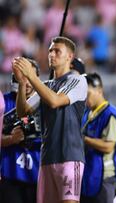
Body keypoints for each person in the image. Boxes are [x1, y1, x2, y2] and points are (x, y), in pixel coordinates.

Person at [12, 36, 88, 203]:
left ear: (70, 57)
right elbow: (23, 112)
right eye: (50, 51)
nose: (52, 54)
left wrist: (32, 76)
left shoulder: (78, 80)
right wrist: (22, 83)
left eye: (57, 51)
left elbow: (54, 101)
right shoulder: (46, 85)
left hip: (69, 156)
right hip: (47, 158)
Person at [80, 73, 116, 203]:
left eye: (88, 93)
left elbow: (108, 146)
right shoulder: (87, 113)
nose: (85, 98)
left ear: (99, 91)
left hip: (104, 176)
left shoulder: (110, 114)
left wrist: (83, 139)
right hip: (88, 173)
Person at [0, 59, 41, 203]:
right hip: (10, 175)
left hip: (37, 177)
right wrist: (11, 139)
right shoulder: (4, 102)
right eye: (23, 77)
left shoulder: (46, 105)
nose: (27, 82)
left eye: (30, 77)